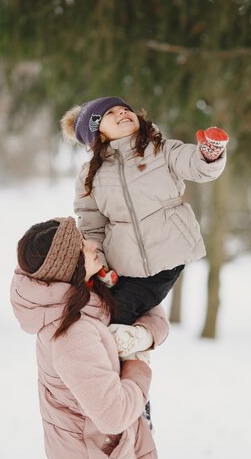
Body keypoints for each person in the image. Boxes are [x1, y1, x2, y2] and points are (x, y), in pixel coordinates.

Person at [10, 217, 181, 459]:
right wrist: (138, 364)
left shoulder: (83, 297)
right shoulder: (73, 334)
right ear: (70, 266)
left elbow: (150, 312)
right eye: (85, 248)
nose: (94, 248)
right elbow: (114, 415)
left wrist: (142, 336)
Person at [61, 96, 228, 326]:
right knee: (101, 312)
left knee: (120, 314)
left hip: (169, 250)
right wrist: (99, 261)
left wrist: (209, 155)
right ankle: (131, 345)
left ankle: (124, 347)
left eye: (124, 109)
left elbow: (194, 165)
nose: (121, 113)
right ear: (97, 133)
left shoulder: (160, 148)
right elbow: (92, 225)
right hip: (124, 263)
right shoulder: (89, 175)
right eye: (110, 113)